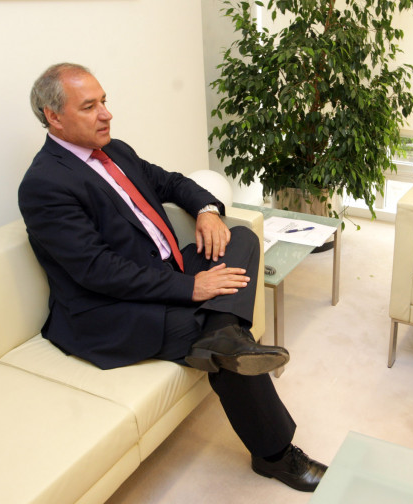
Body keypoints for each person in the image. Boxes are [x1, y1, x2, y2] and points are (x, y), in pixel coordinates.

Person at [18, 63, 326, 491]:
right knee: (209, 333)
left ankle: (223, 333)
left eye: (104, 101)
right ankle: (274, 455)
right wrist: (192, 287)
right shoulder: (44, 184)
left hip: (161, 273)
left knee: (239, 238)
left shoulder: (116, 151)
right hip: (111, 309)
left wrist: (207, 211)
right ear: (53, 116)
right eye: (89, 107)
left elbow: (173, 183)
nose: (106, 114)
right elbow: (97, 270)